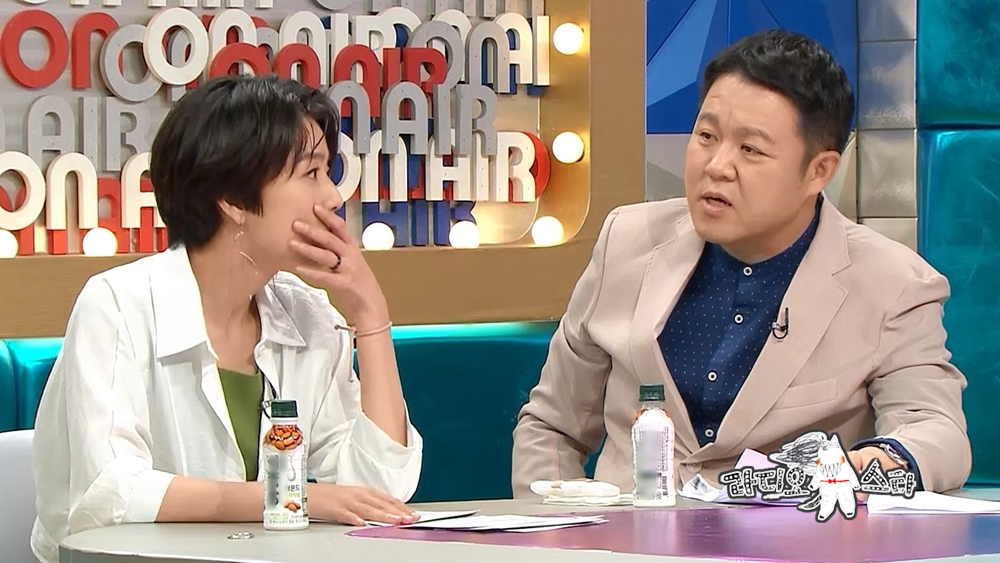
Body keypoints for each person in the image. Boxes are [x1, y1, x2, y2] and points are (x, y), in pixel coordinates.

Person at [512, 30, 971, 498]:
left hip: (786, 534)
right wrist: (562, 525)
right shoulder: (626, 242)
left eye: (750, 149)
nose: (717, 165)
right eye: (706, 136)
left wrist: (858, 467)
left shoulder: (892, 284)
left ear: (819, 170)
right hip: (627, 533)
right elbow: (552, 426)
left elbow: (936, 432)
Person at [31, 75, 423, 563]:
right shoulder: (117, 305)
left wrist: (370, 313)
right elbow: (110, 493)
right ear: (234, 199)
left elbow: (379, 492)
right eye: (311, 173)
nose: (332, 197)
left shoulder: (307, 314)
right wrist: (287, 498)